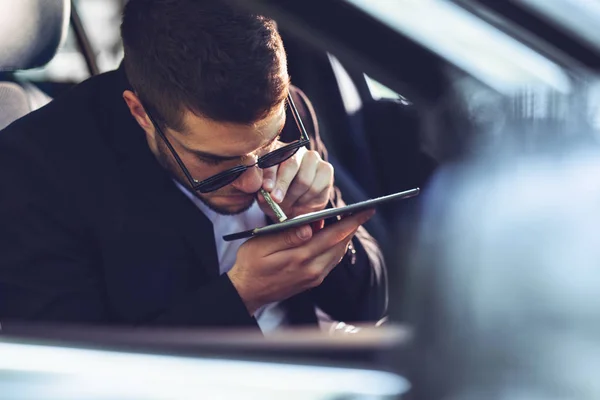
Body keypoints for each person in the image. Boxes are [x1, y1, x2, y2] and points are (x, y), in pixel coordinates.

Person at [0, 0, 386, 333]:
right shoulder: (35, 171)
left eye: (268, 146)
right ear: (141, 114)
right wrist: (242, 297)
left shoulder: (290, 111)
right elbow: (75, 372)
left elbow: (370, 305)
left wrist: (324, 220)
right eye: (215, 160)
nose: (253, 182)